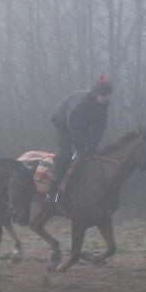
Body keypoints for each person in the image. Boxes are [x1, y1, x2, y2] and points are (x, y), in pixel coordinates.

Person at [46, 75, 112, 203]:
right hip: (64, 120)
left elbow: (100, 127)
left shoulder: (104, 104)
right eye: (103, 96)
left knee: (90, 152)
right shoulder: (83, 103)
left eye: (107, 96)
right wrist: (84, 147)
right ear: (96, 93)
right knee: (65, 154)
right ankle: (52, 190)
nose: (105, 99)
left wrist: (93, 146)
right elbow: (74, 128)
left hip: (81, 124)